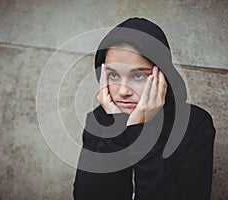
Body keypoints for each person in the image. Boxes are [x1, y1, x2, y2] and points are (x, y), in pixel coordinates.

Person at [73, 17, 215, 200]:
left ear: (163, 76)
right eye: (114, 75)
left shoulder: (194, 125)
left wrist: (142, 134)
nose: (124, 91)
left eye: (138, 75)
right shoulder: (99, 119)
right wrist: (116, 129)